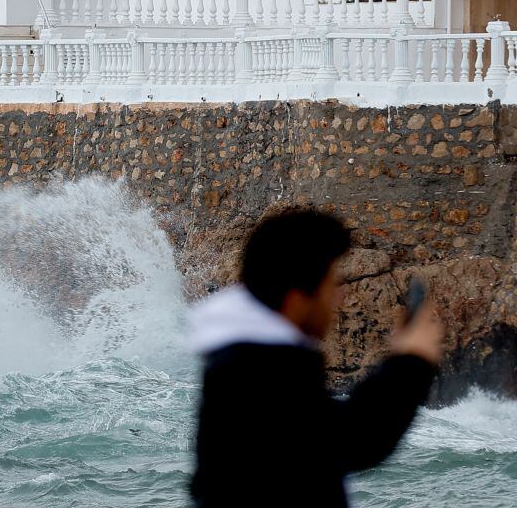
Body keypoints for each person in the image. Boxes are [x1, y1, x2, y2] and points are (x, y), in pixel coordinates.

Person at [188, 209, 443, 508]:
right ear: (297, 301)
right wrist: (411, 362)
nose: (339, 298)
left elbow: (323, 431)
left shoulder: (246, 358)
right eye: (330, 286)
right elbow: (354, 441)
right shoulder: (255, 369)